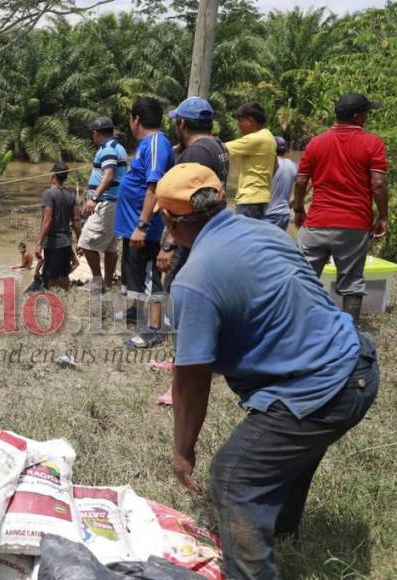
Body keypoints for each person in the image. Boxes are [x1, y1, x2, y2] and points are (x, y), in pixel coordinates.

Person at [157, 162, 377, 579]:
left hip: (323, 387)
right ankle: (283, 530)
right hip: (358, 363)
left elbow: (191, 379)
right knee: (283, 449)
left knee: (233, 476)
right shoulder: (267, 231)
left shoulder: (194, 281)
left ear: (169, 220)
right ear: (222, 199)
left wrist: (183, 453)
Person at [155, 96, 230, 404]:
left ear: (182, 123)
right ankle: (179, 361)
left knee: (178, 297)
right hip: (208, 231)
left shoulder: (196, 152)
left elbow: (180, 200)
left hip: (189, 234)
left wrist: (169, 243)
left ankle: (181, 380)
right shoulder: (218, 146)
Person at [294, 93, 389, 324]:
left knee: (302, 279)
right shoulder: (372, 143)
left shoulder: (316, 142)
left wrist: (298, 209)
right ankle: (349, 337)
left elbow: (300, 181)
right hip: (353, 226)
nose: (367, 117)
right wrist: (383, 216)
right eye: (366, 113)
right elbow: (378, 184)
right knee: (352, 283)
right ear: (357, 117)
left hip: (316, 223)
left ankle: (298, 329)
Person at [114, 96, 174, 348]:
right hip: (131, 225)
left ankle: (154, 329)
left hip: (144, 228)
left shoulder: (157, 143)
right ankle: (135, 311)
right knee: (134, 272)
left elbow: (155, 185)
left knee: (150, 276)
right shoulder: (145, 144)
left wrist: (142, 225)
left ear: (136, 119)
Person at [77, 116, 127, 293]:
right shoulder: (117, 147)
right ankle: (106, 283)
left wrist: (93, 198)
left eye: (92, 134)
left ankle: (98, 282)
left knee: (86, 242)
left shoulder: (108, 150)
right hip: (115, 202)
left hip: (107, 202)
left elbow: (108, 175)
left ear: (96, 133)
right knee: (111, 246)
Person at [225, 102, 277, 219]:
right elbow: (276, 166)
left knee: (244, 235)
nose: (238, 125)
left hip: (250, 199)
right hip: (262, 197)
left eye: (240, 121)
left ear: (250, 121)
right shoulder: (269, 137)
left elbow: (222, 148)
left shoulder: (254, 139)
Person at [37, 162, 81, 291]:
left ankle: (54, 306)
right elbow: (76, 220)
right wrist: (80, 242)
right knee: (64, 276)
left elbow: (47, 220)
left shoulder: (48, 194)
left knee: (52, 278)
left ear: (53, 174)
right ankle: (65, 302)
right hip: (66, 242)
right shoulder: (70, 195)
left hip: (54, 243)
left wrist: (39, 243)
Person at [262, 136, 297, 231]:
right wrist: (295, 202)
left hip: (267, 213)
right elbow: (305, 183)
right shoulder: (292, 165)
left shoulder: (267, 164)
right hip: (284, 214)